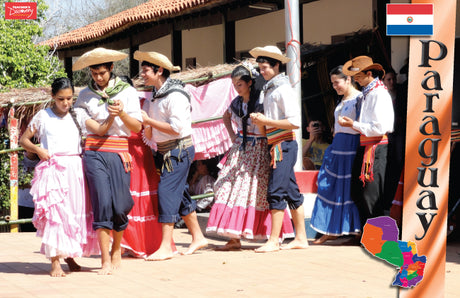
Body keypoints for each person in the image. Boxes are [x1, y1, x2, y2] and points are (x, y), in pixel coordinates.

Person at [19, 77, 113, 277]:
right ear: (53, 97)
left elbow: (101, 129)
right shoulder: (42, 116)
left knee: (72, 214)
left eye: (69, 98)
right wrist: (38, 150)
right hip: (53, 169)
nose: (66, 103)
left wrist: (113, 115)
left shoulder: (78, 114)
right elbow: (24, 140)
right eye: (61, 99)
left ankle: (69, 256)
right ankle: (55, 263)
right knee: (55, 216)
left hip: (75, 170)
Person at [206, 63, 294, 250]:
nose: (237, 88)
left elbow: (265, 128)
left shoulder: (260, 102)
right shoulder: (237, 103)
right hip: (240, 148)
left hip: (259, 148)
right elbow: (225, 117)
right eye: (234, 85)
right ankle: (233, 237)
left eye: (240, 84)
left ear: (249, 83)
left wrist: (257, 125)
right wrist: (232, 135)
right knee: (226, 185)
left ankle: (259, 235)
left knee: (251, 191)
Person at [73, 48, 143, 274]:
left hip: (120, 151)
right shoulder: (84, 95)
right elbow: (92, 128)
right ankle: (104, 259)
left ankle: (116, 248)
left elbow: (137, 127)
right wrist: (109, 118)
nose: (98, 78)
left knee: (121, 205)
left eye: (102, 73)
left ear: (111, 68)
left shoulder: (128, 92)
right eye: (94, 74)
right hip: (94, 151)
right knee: (102, 203)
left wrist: (121, 114)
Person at [134, 50, 208, 261]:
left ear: (159, 70)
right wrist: (146, 125)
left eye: (146, 70)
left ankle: (166, 246)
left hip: (179, 150)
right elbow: (150, 133)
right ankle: (198, 237)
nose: (143, 74)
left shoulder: (176, 95)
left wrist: (148, 121)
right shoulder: (154, 96)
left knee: (166, 192)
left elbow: (176, 128)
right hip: (165, 151)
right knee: (180, 194)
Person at [249, 45, 309, 252]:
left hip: (284, 144)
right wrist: (262, 123)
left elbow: (294, 122)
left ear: (276, 65)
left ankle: (274, 240)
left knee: (275, 191)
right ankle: (301, 237)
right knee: (291, 191)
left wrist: (266, 120)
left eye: (265, 67)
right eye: (260, 68)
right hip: (276, 144)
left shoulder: (283, 89)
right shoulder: (270, 89)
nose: (262, 71)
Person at [118, 78, 172, 258]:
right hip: (121, 151)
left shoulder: (144, 104)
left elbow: (148, 131)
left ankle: (141, 243)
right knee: (123, 196)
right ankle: (125, 242)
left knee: (140, 197)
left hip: (140, 153)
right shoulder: (113, 106)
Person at [339, 56, 394, 230]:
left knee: (371, 193)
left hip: (376, 146)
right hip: (366, 145)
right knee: (358, 191)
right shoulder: (368, 93)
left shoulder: (379, 93)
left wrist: (353, 124)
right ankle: (368, 232)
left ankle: (378, 236)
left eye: (358, 76)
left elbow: (380, 127)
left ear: (369, 73)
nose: (355, 79)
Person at [310, 65, 362, 244]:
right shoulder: (342, 101)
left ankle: (355, 231)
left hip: (351, 148)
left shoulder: (359, 99)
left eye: (337, 82)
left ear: (348, 79)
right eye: (332, 83)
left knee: (348, 190)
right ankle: (331, 228)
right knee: (330, 186)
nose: (334, 86)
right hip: (337, 147)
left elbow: (362, 125)